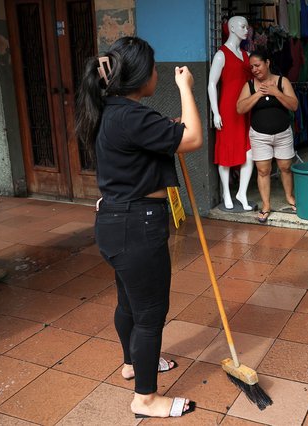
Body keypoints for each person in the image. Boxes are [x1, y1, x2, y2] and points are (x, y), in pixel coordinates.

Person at [75, 36, 202, 418]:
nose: (157, 74)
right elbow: (193, 139)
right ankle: (145, 398)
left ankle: (132, 363)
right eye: (153, 67)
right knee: (150, 314)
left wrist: (167, 127)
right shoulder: (132, 115)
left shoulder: (111, 112)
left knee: (129, 303)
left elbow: (146, 142)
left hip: (114, 223)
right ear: (139, 75)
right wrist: (185, 88)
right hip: (136, 226)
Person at [236, 50, 299, 223]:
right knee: (263, 170)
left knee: (285, 167)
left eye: (257, 65)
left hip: (283, 133)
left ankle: (289, 197)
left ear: (267, 63)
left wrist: (275, 92)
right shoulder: (249, 85)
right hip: (259, 136)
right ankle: (266, 205)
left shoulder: (282, 81)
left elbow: (294, 105)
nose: (255, 70)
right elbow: (240, 108)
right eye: (252, 67)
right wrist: (258, 93)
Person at [208, 16, 254, 212]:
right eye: (243, 26)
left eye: (247, 26)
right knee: (226, 153)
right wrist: (215, 113)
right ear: (232, 28)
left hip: (245, 109)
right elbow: (211, 84)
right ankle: (226, 192)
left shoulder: (247, 55)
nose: (247, 30)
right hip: (227, 109)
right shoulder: (221, 55)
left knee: (249, 153)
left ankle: (241, 192)